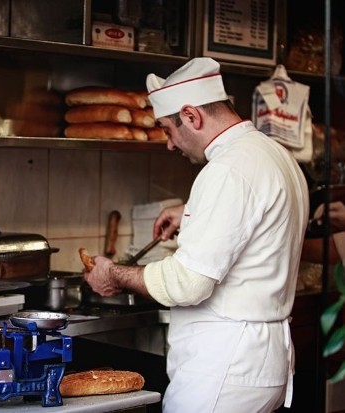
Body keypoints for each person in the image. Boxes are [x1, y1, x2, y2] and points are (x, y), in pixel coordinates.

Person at [83, 57, 310, 413]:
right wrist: (191, 215)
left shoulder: (227, 169)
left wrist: (115, 274)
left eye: (169, 130)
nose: (170, 145)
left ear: (191, 116)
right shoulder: (273, 154)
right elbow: (259, 225)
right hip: (261, 361)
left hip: (225, 367)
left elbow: (188, 283)